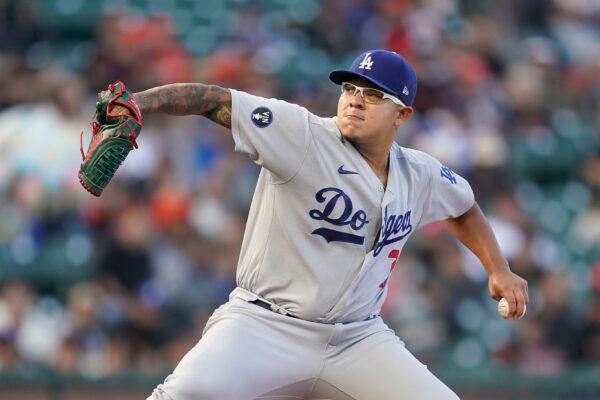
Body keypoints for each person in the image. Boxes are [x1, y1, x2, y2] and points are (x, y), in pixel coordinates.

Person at [130, 49, 528, 400]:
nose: (355, 101)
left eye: (373, 95)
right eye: (350, 90)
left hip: (357, 338)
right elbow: (214, 100)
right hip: (266, 324)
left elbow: (464, 208)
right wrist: (139, 102)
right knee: (186, 394)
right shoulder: (301, 135)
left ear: (402, 114)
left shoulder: (419, 173)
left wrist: (498, 268)